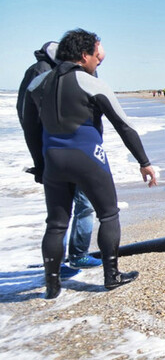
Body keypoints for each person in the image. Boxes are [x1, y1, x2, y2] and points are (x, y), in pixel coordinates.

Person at [22, 28, 158, 299]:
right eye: (97, 54)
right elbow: (124, 125)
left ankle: (52, 286)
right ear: (84, 56)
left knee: (56, 224)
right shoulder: (91, 82)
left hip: (53, 160)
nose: (98, 60)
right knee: (108, 214)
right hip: (87, 158)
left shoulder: (37, 84)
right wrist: (144, 161)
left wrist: (40, 164)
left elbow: (29, 128)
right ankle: (112, 276)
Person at [18, 41, 103, 271]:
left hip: (66, 150)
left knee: (69, 210)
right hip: (64, 150)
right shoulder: (43, 72)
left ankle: (60, 266)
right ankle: (71, 259)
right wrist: (39, 161)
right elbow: (29, 120)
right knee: (68, 211)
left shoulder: (56, 71)